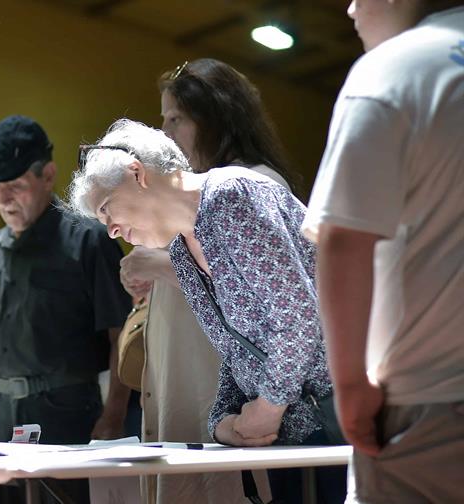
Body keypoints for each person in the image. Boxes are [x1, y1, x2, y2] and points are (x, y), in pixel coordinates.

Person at [67, 118, 343, 503]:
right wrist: (222, 423)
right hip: (291, 435)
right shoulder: (182, 251)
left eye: (106, 209)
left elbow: (298, 318)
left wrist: (267, 408)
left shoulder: (231, 194)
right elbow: (234, 351)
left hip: (343, 418)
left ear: (137, 174)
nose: (111, 230)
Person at [302, 2, 464, 502]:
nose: (350, 8)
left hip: (427, 405)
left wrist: (350, 385)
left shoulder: (396, 69)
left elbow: (345, 239)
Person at [119, 57, 296, 504]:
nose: (165, 133)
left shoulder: (250, 187)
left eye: (176, 119)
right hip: (189, 388)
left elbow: (281, 308)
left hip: (235, 398)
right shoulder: (190, 201)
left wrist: (159, 266)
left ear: (215, 118)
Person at [0, 115, 132, 503]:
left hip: (65, 415)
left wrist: (114, 416)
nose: (4, 198)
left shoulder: (89, 240)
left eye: (15, 186)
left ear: (48, 175)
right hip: (0, 418)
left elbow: (122, 335)